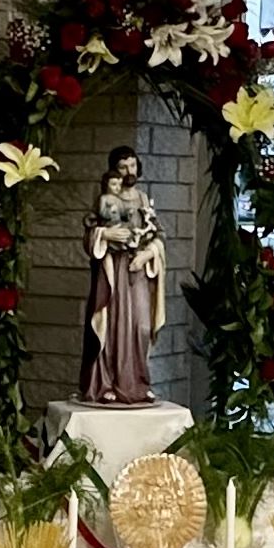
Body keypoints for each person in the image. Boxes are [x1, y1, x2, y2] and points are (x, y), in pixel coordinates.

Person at [78, 146, 166, 406]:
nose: (129, 172)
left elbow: (159, 235)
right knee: (112, 327)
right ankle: (107, 384)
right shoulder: (105, 199)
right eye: (123, 167)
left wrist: (148, 254)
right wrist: (105, 235)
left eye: (133, 166)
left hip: (137, 272)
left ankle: (137, 382)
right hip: (112, 272)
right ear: (114, 171)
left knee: (141, 326)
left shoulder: (143, 199)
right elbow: (88, 233)